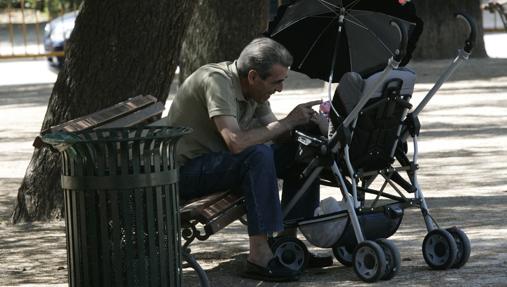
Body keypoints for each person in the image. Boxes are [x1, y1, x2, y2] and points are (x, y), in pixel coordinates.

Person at [163, 37, 330, 282]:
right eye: (277, 82)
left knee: (302, 150)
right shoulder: (217, 82)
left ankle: (286, 244)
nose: (281, 88)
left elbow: (276, 131)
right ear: (253, 77)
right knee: (257, 155)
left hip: (219, 165)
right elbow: (236, 142)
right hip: (184, 173)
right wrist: (287, 122)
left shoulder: (254, 91)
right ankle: (259, 257)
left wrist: (309, 125)